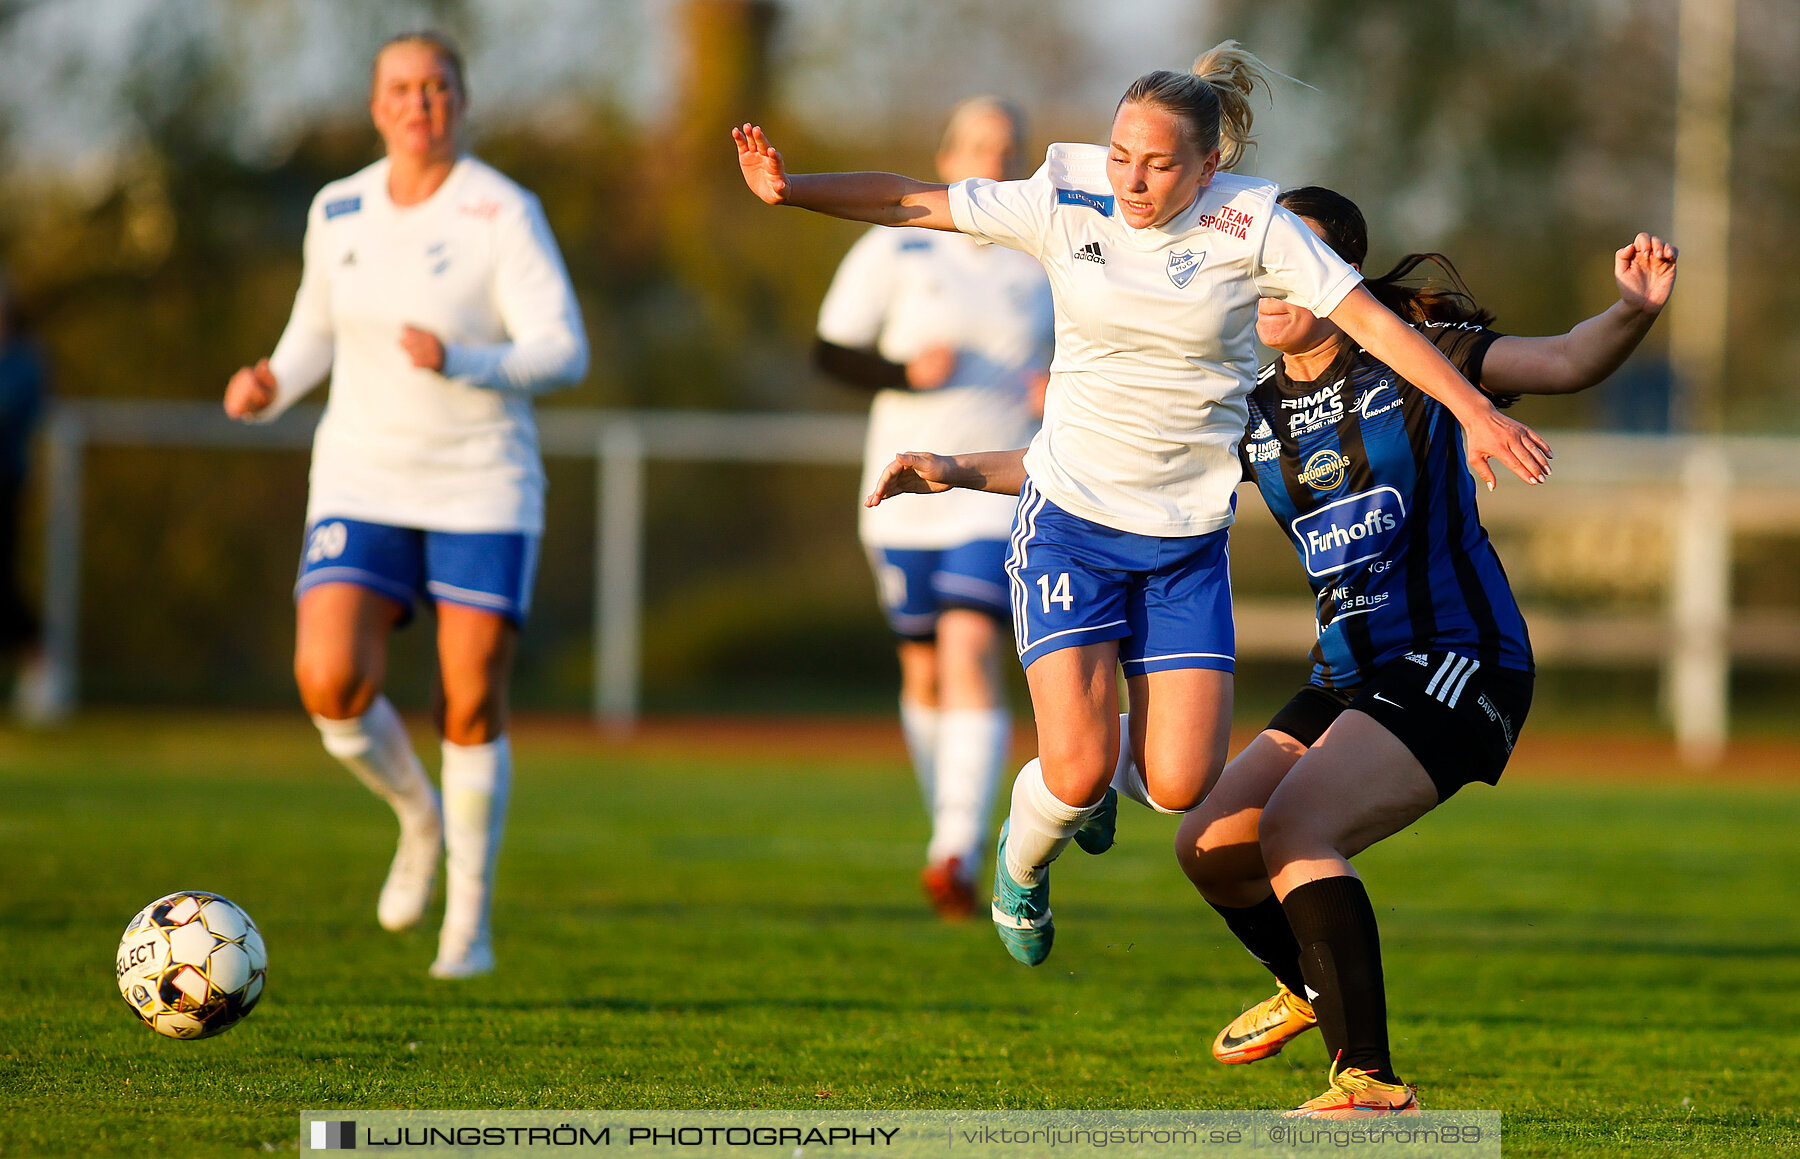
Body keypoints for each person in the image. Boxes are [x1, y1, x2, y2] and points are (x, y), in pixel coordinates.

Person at [738, 43, 1551, 971]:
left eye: (1160, 164)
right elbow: (906, 200)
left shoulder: (1256, 225)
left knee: (1179, 783)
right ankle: (1021, 854)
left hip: (1183, 543)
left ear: (1208, 166)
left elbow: (1370, 323)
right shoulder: (1065, 195)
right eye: (1123, 153)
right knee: (1078, 768)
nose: (1133, 177)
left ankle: (1082, 787)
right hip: (1070, 523)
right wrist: (789, 187)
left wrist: (1475, 410)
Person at [869, 188, 1675, 1117]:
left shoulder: (1416, 360)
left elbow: (1568, 359)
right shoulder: (1241, 408)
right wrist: (956, 469)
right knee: (1208, 847)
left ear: (1333, 276)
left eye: (1293, 258)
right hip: (1349, 674)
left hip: (1458, 658)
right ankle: (1313, 979)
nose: (1270, 278)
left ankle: (1369, 1080)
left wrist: (1630, 312)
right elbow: (1084, 461)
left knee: (1297, 831)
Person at [223, 31, 588, 978]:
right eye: (402, 88)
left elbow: (563, 348)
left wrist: (465, 359)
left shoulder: (502, 209)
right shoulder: (336, 206)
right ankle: (418, 816)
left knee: (469, 696)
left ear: (462, 102)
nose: (419, 102)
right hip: (361, 472)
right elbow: (314, 326)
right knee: (330, 680)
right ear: (376, 104)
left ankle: (468, 919)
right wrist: (272, 381)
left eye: (437, 87)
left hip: (482, 478)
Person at [813, 96, 1053, 920]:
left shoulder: (1043, 255)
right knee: (922, 669)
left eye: (1008, 146)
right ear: (947, 158)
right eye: (979, 144)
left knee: (970, 645)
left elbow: (1097, 355)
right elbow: (829, 352)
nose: (993, 157)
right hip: (898, 492)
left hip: (993, 488)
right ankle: (946, 830)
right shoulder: (897, 243)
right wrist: (902, 373)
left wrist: (1063, 388)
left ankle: (954, 846)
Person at [0, 272, 53, 723]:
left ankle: (39, 672)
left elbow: (13, 411)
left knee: (5, 584)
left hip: (4, 485)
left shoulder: (24, 361)